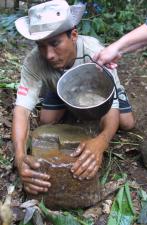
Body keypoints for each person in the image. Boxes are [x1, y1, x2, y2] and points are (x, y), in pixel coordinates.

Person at [12, 0, 135, 195]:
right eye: (41, 46)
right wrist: (19, 158)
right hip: (58, 88)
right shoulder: (34, 61)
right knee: (45, 121)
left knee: (126, 123)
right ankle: (70, 105)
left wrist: (101, 142)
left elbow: (111, 107)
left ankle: (83, 107)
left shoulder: (95, 53)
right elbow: (22, 110)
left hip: (100, 91)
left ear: (74, 35)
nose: (49, 55)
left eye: (55, 43)